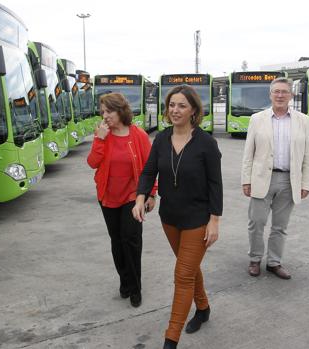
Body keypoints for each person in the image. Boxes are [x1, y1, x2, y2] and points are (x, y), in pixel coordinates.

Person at [133, 85, 222, 349]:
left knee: (182, 275)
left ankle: (170, 340)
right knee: (190, 267)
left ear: (194, 109)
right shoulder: (161, 138)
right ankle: (203, 308)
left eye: (182, 105)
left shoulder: (206, 143)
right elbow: (149, 172)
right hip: (169, 217)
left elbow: (215, 184)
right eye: (172, 105)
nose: (175, 110)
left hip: (198, 219)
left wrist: (215, 220)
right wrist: (140, 198)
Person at [241, 77, 309, 280]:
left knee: (280, 226)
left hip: (289, 180)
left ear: (291, 95)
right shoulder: (257, 119)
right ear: (270, 94)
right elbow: (249, 152)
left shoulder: (304, 121)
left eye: (284, 91)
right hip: (261, 178)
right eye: (276, 92)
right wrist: (246, 180)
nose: (280, 95)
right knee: (256, 222)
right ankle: (255, 259)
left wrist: (306, 183)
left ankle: (274, 262)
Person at [87, 93, 157, 308]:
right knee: (117, 242)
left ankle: (135, 288)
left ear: (121, 111)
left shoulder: (138, 135)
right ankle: (124, 280)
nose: (104, 115)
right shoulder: (102, 134)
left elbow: (149, 166)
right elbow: (92, 163)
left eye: (109, 111)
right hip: (108, 196)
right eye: (103, 111)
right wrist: (99, 139)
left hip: (133, 197)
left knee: (131, 240)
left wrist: (152, 193)